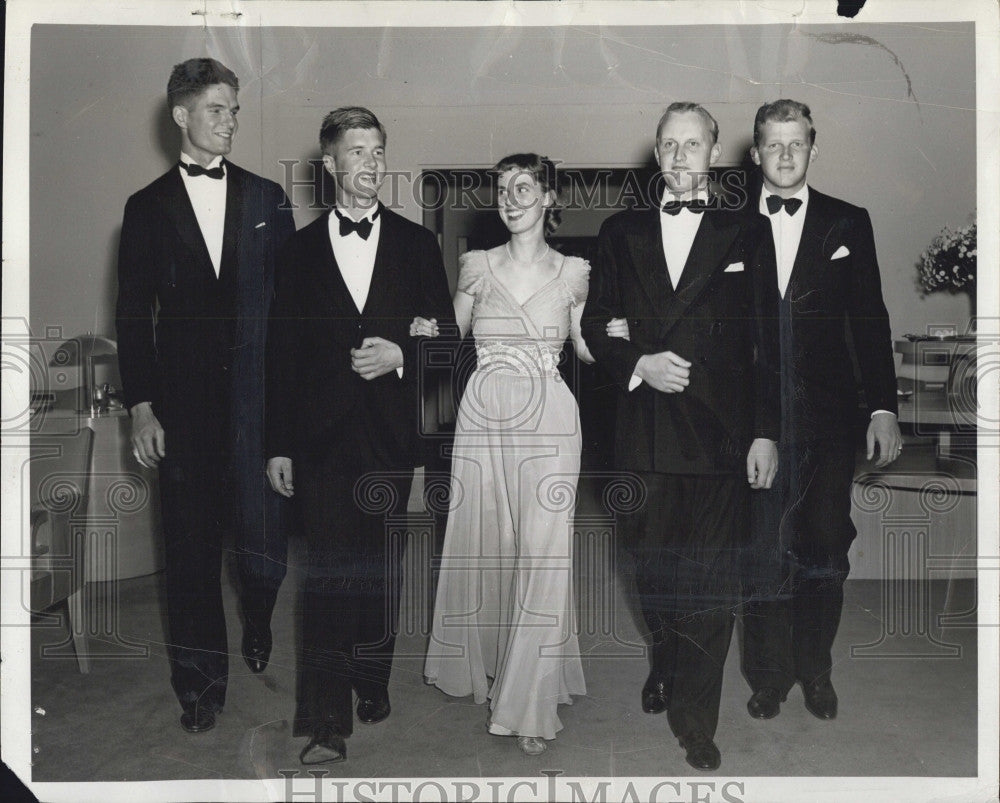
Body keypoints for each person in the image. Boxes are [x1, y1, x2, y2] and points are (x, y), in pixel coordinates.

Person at [582, 102, 779, 771]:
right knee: (651, 570)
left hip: (720, 437)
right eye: (668, 144)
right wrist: (638, 362)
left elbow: (766, 343)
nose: (679, 156)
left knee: (712, 584)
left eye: (692, 144)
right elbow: (596, 321)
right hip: (643, 434)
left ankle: (697, 720)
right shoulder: (618, 231)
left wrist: (764, 433)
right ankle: (662, 653)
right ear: (657, 153)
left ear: (715, 152)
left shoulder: (748, 232)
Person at [264, 107, 455, 765]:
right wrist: (278, 443)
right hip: (318, 437)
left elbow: (448, 343)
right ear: (330, 164)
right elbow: (280, 355)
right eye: (358, 152)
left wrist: (400, 354)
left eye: (379, 151)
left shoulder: (417, 245)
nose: (371, 164)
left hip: (389, 433)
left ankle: (371, 676)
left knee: (376, 564)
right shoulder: (296, 251)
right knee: (325, 570)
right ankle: (324, 718)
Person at [116, 57, 296, 734]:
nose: (230, 122)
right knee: (189, 552)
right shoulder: (146, 207)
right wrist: (141, 406)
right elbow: (133, 316)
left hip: (257, 404)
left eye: (235, 109)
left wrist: (289, 410)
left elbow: (289, 313)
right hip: (183, 411)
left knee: (263, 545)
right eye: (217, 109)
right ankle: (199, 687)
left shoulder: (267, 199)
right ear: (182, 116)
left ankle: (257, 613)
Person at [417, 154, 596, 756]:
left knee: (546, 553)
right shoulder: (476, 265)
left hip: (549, 419)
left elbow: (586, 347)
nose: (510, 197)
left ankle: (529, 700)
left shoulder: (574, 272)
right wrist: (414, 334)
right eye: (502, 188)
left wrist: (628, 339)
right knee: (486, 540)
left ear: (549, 197)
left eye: (524, 187)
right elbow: (449, 334)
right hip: (483, 416)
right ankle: (492, 661)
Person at [739, 99, 901, 723]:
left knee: (825, 546)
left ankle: (816, 670)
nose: (784, 156)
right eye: (772, 145)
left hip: (829, 422)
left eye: (796, 144)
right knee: (764, 550)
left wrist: (882, 407)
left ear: (813, 148)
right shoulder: (724, 225)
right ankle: (769, 676)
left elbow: (871, 319)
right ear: (754, 153)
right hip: (753, 423)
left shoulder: (848, 222)